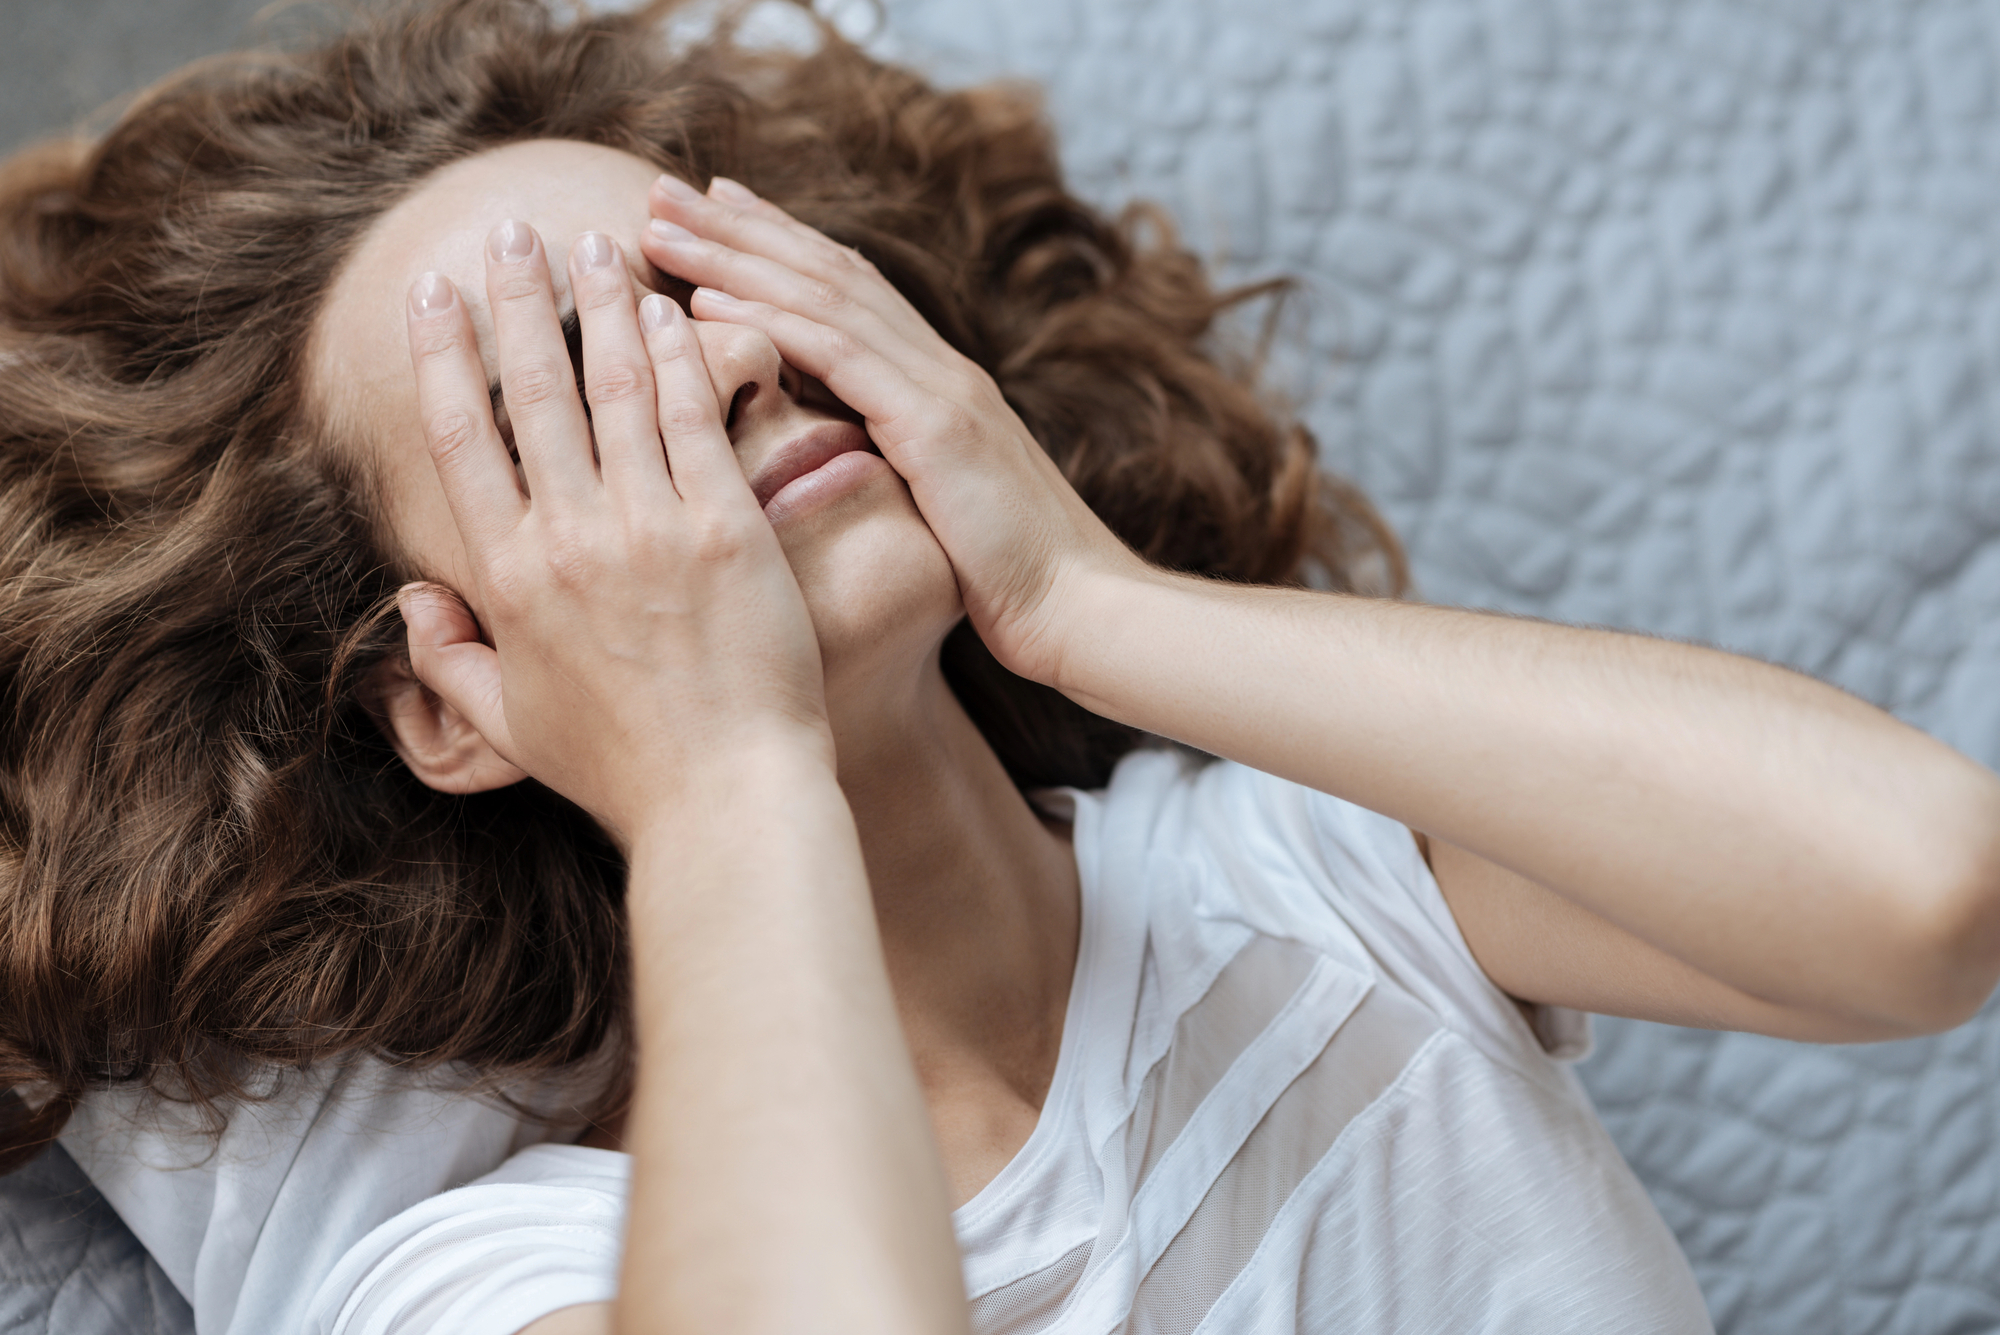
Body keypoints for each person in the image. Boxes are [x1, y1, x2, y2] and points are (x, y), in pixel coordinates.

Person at [2, 1, 1997, 1332]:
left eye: (709, 281)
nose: (721, 357)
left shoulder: (1294, 872)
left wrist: (1087, 598)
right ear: (449, 695)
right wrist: (714, 772)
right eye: (573, 389)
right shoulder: (500, 1263)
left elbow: (1920, 892)